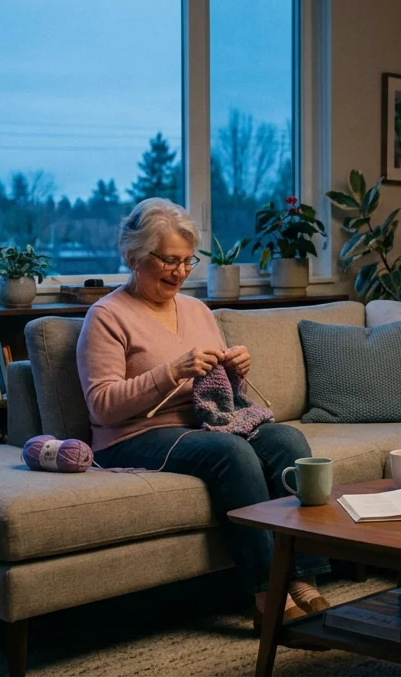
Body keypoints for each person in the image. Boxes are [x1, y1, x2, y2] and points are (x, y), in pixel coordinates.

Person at [77, 198, 330, 628]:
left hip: (204, 425)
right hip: (132, 437)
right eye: (168, 260)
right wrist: (169, 372)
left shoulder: (196, 310)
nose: (178, 271)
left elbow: (223, 397)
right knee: (231, 454)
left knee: (288, 441)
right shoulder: (106, 316)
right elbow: (102, 405)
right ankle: (267, 594)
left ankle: (303, 579)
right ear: (133, 257)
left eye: (186, 261)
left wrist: (238, 371)